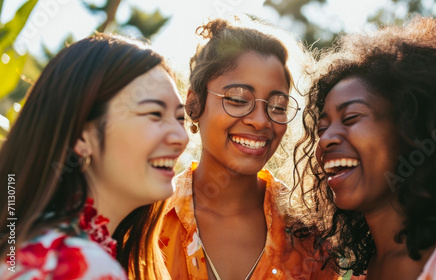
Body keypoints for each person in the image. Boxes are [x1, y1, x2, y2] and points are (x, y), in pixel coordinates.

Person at [293, 17, 436, 279]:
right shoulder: (361, 272)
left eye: (351, 118)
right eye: (322, 129)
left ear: (411, 129)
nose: (325, 140)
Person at [158, 16, 337, 279]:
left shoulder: (308, 235)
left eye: (277, 106)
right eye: (238, 99)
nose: (261, 120)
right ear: (195, 103)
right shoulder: (150, 219)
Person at [0, 33, 188, 279]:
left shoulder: (31, 247)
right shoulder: (79, 265)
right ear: (81, 136)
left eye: (180, 118)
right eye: (154, 113)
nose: (181, 137)